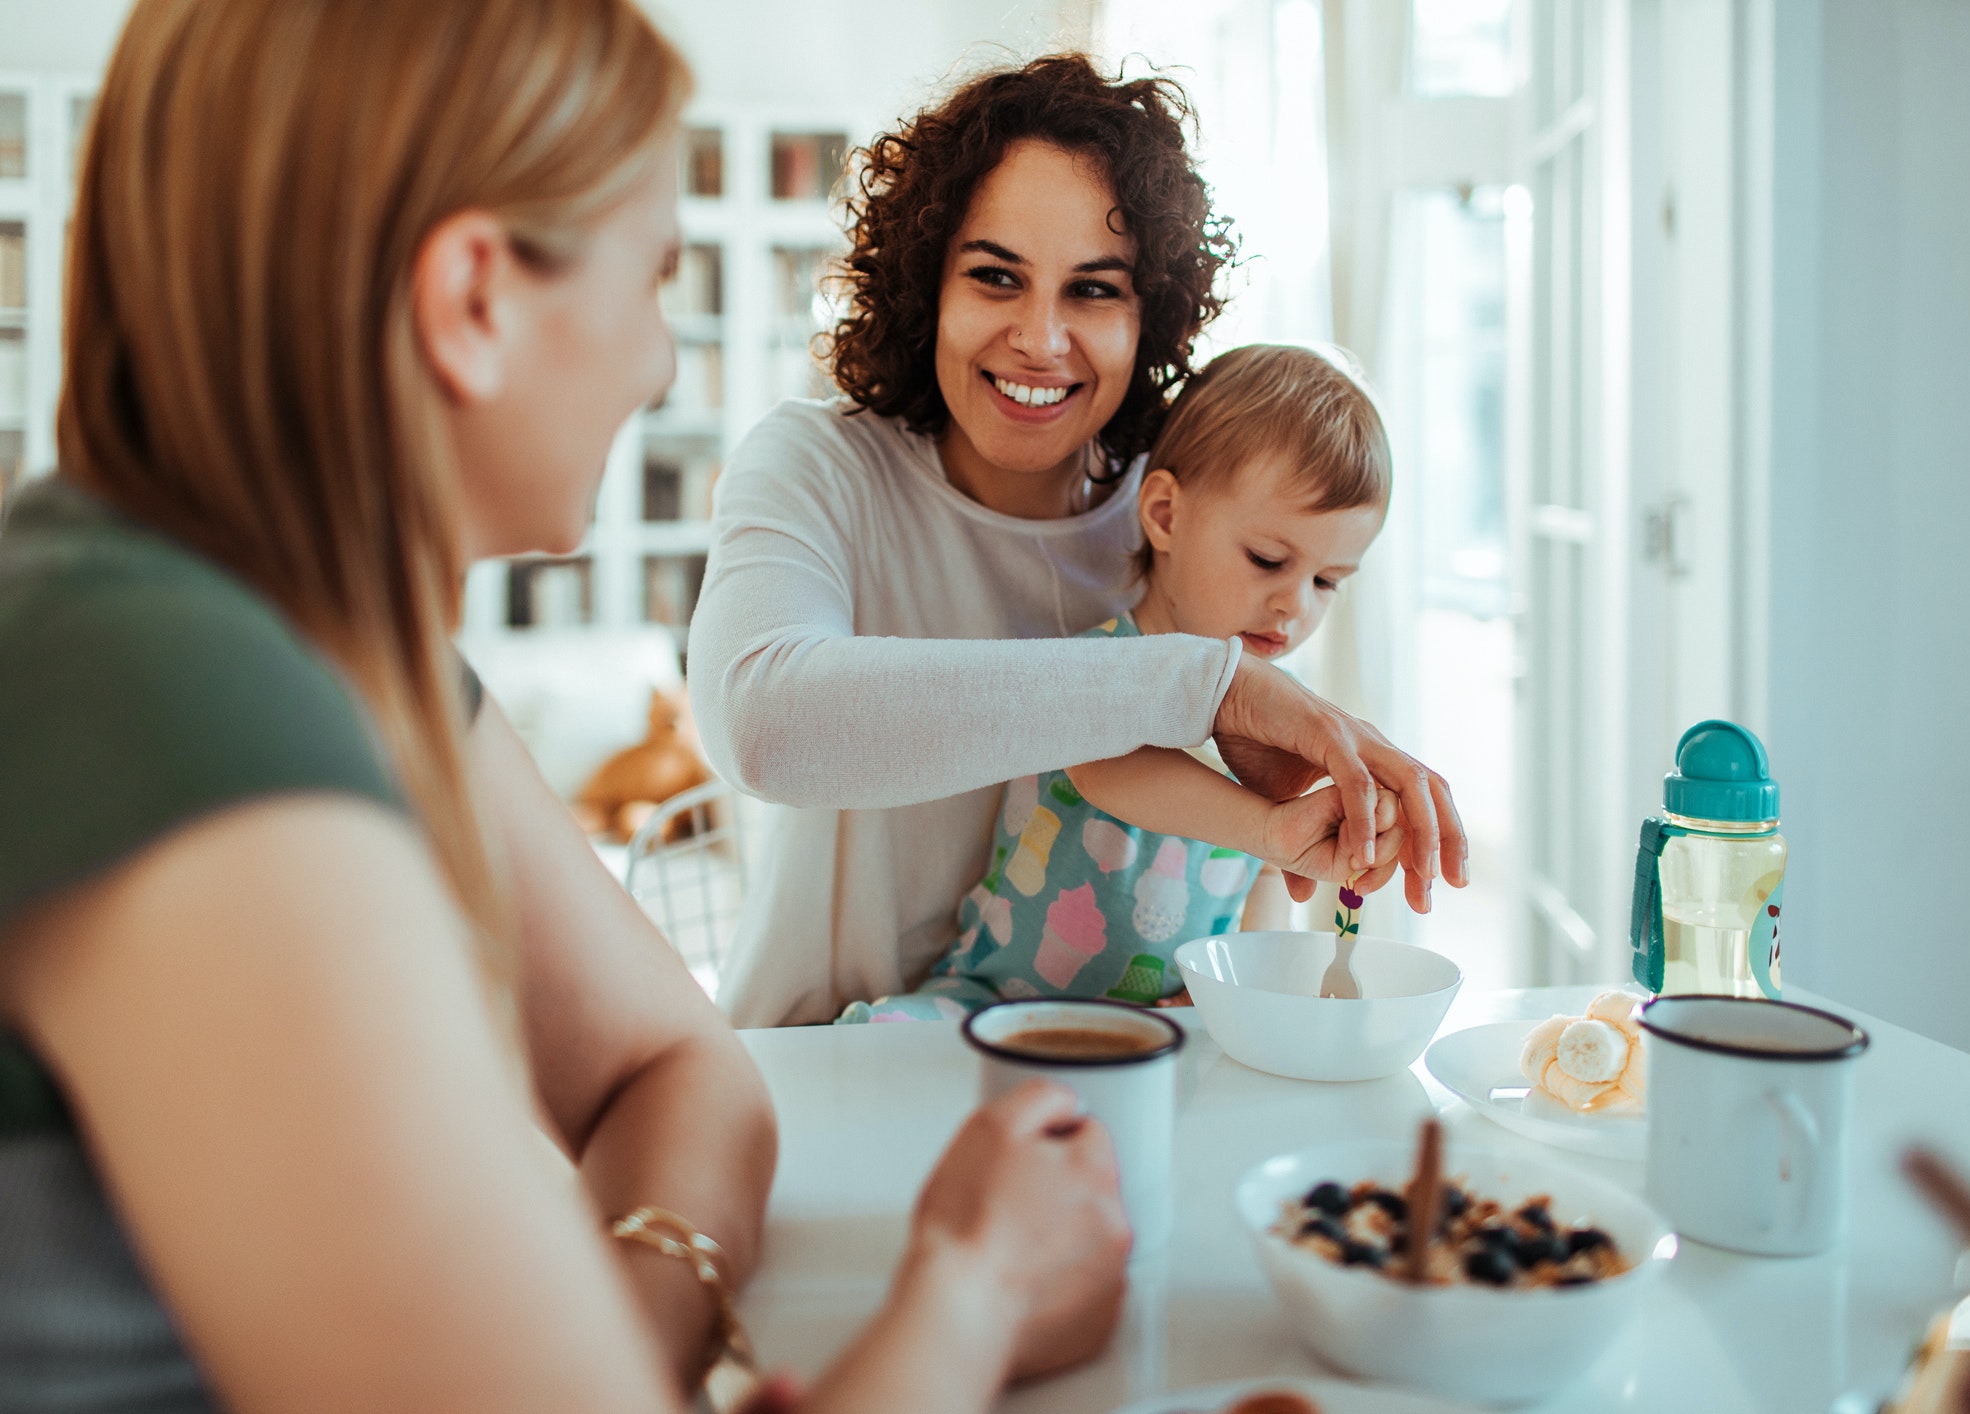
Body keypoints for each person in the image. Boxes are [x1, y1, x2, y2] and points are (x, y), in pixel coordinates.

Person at [0, 2, 1126, 1410]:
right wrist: (975, 1291)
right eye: (652, 275)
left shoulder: (328, 642)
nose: (660, 360)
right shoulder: (168, 698)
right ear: (474, 300)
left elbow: (676, 1067)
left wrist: (622, 1334)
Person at [690, 55, 1470, 1030]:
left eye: (1094, 291)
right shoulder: (816, 464)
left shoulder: (1188, 521)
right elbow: (763, 726)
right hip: (817, 1062)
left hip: (1094, 1078)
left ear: (1152, 314)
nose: (1042, 339)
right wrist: (1206, 682)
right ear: (925, 283)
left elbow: (1243, 862)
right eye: (995, 277)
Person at [839, 344, 1398, 1021]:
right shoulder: (1098, 669)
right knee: (887, 1043)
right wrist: (1273, 827)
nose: (1294, 605)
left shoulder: (1286, 726)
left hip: (1155, 1026)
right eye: (1266, 559)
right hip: (996, 1002)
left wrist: (1235, 984)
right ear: (1163, 515)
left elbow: (1265, 895)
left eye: (1326, 581)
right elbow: (1110, 766)